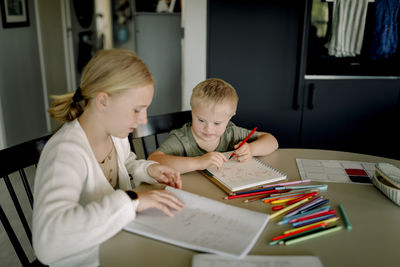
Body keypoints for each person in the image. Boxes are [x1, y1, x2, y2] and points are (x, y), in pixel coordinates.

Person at [32, 49, 184, 267]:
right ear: (103, 101)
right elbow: (48, 243)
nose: (143, 119)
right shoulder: (65, 153)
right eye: (137, 110)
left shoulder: (115, 134)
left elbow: (127, 161)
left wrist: (148, 169)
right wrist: (133, 200)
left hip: (119, 241)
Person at [148, 78, 279, 173]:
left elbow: (272, 141)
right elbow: (153, 160)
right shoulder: (182, 139)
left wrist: (251, 149)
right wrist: (198, 162)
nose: (208, 129)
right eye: (201, 120)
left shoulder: (231, 133)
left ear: (230, 117)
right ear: (192, 111)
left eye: (217, 123)